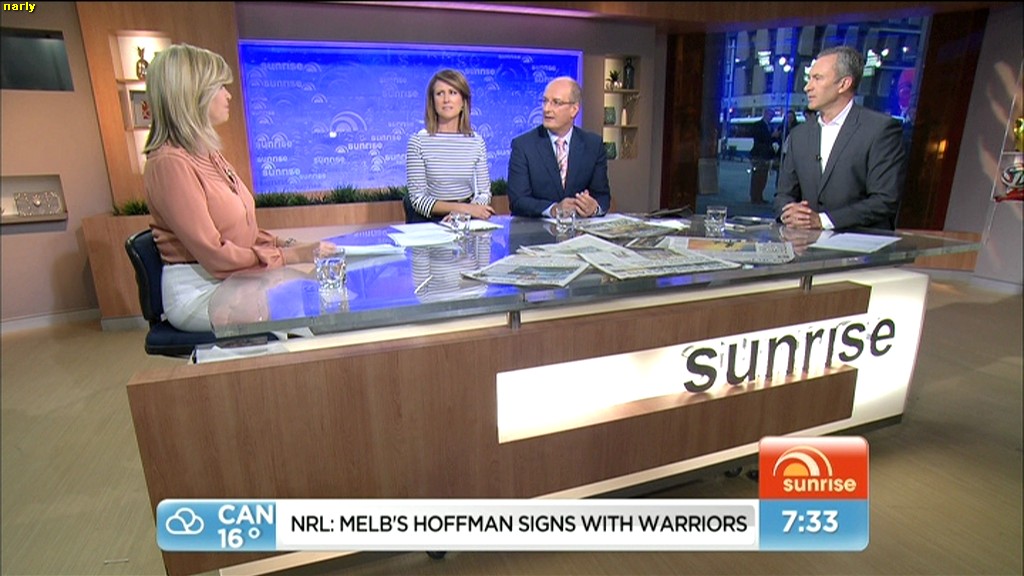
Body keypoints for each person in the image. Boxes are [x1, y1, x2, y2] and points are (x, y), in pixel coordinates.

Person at [143, 44, 327, 332]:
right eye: (220, 87)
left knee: (316, 292)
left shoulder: (209, 154)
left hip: (238, 279)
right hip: (203, 290)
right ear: (193, 94)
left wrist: (288, 245)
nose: (228, 95)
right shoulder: (170, 163)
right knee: (300, 309)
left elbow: (243, 232)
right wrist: (292, 256)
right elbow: (215, 255)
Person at [774, 46, 906, 230]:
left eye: (817, 78)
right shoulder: (799, 135)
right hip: (806, 243)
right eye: (809, 78)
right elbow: (783, 195)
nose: (807, 87)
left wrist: (823, 221)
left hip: (859, 242)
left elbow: (885, 199)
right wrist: (789, 212)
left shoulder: (880, 129)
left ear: (844, 84)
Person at [507, 76, 610, 219]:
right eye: (545, 101)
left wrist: (594, 208)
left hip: (579, 230)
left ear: (574, 109)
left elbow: (603, 196)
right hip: (536, 230)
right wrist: (554, 209)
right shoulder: (523, 146)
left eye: (556, 102)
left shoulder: (593, 145)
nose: (546, 109)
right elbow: (518, 201)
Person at [405, 69, 493, 223]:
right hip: (430, 220)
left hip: (467, 218)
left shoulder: (476, 142)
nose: (446, 99)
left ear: (463, 101)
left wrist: (464, 214)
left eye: (452, 92)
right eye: (440, 93)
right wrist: (461, 209)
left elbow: (484, 193)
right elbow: (418, 199)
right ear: (432, 102)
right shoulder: (418, 142)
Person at [748, 108, 775, 204]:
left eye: (772, 116)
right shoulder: (758, 125)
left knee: (763, 177)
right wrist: (772, 136)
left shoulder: (769, 126)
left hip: (766, 155)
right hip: (759, 154)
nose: (771, 117)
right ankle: (755, 197)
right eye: (770, 115)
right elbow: (760, 138)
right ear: (765, 114)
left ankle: (759, 195)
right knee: (757, 177)